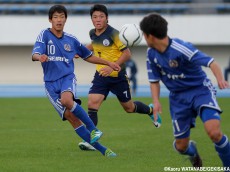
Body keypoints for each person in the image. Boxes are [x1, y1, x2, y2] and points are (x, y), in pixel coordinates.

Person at [140, 13, 230, 168]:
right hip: (178, 99)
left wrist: (220, 79)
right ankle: (192, 152)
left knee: (214, 132)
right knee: (181, 146)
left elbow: (211, 62)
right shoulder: (151, 54)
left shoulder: (181, 48)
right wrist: (156, 102)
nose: (144, 37)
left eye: (144, 34)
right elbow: (154, 80)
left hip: (200, 91)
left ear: (150, 36)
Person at [31, 5, 121, 157]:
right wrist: (40, 57)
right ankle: (103, 150)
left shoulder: (71, 40)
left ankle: (94, 129)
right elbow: (35, 53)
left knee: (67, 100)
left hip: (67, 78)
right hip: (50, 85)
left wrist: (108, 63)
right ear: (50, 20)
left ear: (65, 19)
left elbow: (88, 55)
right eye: (55, 17)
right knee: (72, 118)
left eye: (61, 17)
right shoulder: (44, 35)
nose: (59, 20)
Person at [78, 4, 162, 151]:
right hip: (101, 75)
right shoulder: (92, 33)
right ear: (91, 19)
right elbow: (94, 44)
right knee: (92, 103)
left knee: (129, 108)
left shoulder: (115, 34)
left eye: (101, 17)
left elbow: (127, 54)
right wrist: (81, 51)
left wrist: (112, 66)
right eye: (95, 17)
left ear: (107, 18)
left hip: (118, 77)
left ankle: (150, 110)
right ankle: (91, 139)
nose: (98, 20)